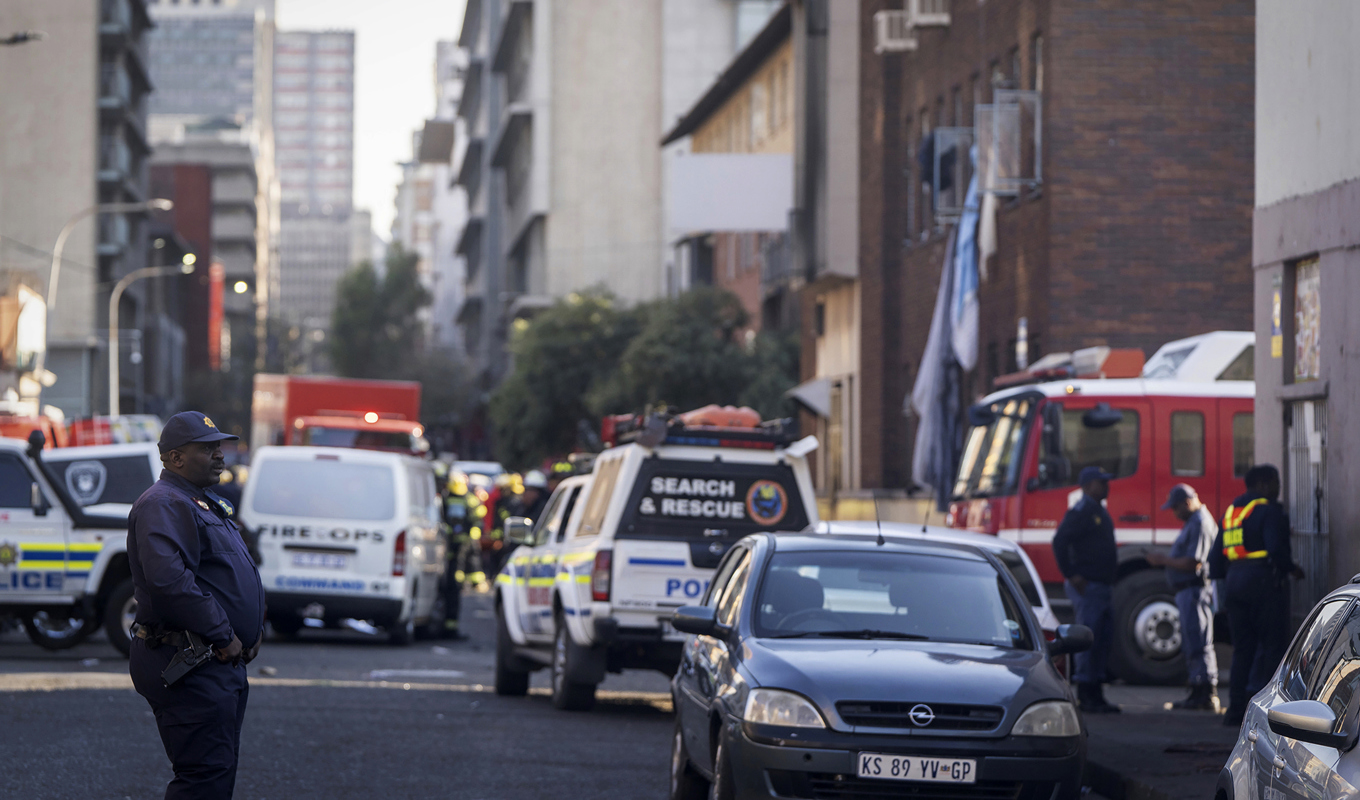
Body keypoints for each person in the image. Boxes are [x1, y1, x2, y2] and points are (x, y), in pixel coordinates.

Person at [127, 412, 266, 800]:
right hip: (189, 659)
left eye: (219, 446)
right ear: (174, 458)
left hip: (215, 662)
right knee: (203, 778)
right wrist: (225, 635)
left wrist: (254, 630)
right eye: (207, 449)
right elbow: (169, 581)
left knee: (216, 773)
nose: (220, 455)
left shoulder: (199, 501)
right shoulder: (163, 503)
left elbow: (232, 571)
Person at [1209, 464, 1303, 727]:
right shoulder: (1269, 511)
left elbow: (1214, 561)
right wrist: (1292, 569)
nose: (1278, 489)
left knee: (1242, 650)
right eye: (1276, 483)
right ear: (1263, 484)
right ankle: (1265, 714)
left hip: (1234, 585)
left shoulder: (1231, 513)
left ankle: (1235, 710)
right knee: (1273, 647)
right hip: (1263, 584)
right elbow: (1276, 549)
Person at [1052, 466, 1121, 714]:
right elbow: (1060, 541)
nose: (1107, 486)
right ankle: (1086, 694)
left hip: (1101, 586)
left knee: (1102, 640)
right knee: (1088, 641)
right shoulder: (1082, 511)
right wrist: (1071, 574)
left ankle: (1096, 693)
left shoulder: (1097, 510)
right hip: (1089, 587)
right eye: (1101, 482)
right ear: (1088, 485)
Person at [1146, 484, 1219, 711]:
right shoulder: (1194, 522)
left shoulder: (1199, 523)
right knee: (1193, 640)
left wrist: (1163, 560)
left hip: (1195, 589)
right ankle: (1198, 690)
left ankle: (1205, 693)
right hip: (1189, 591)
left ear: (1187, 503)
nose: (1175, 513)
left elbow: (1192, 562)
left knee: (1199, 641)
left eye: (1176, 508)